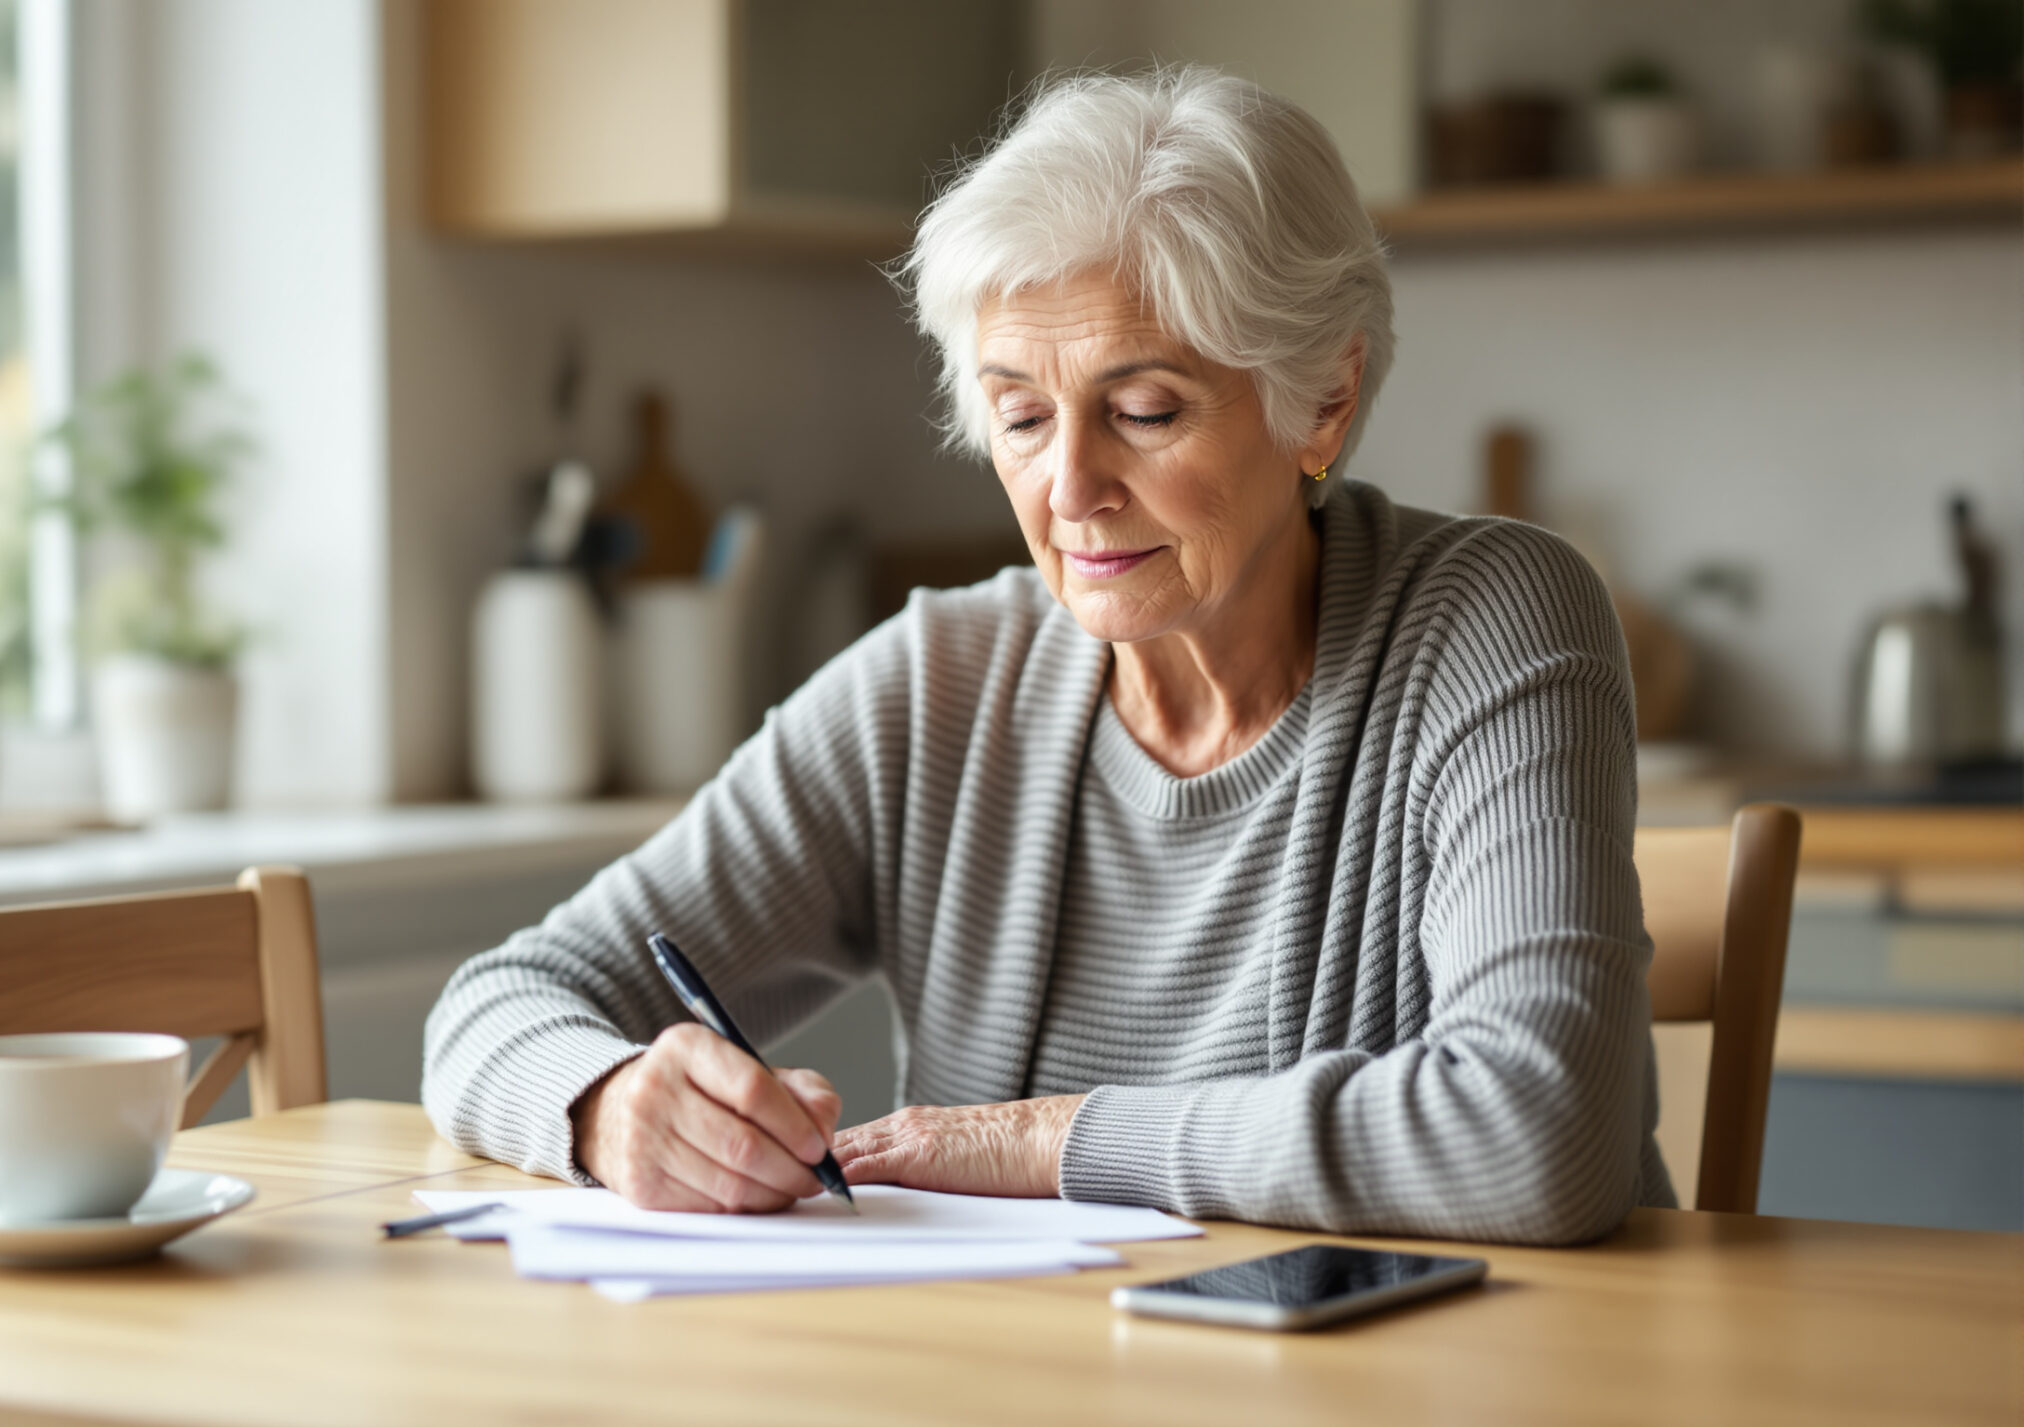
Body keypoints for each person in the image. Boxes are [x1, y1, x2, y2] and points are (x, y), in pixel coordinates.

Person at [423, 67, 1671, 1245]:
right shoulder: (940, 683)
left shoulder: (1492, 618)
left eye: (1144, 410)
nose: (1069, 487)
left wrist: (1042, 1140)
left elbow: (1540, 1130)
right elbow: (499, 1000)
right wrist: (608, 1104)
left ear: (1324, 399)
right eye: (1020, 415)